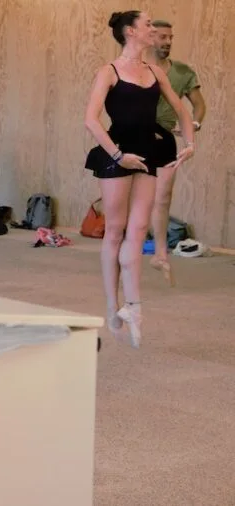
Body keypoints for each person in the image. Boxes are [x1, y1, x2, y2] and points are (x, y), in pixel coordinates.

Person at [84, 10, 194, 348]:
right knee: (115, 231)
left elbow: (181, 109)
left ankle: (134, 306)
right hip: (117, 153)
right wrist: (118, 155)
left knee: (138, 229)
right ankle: (111, 305)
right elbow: (91, 120)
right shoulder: (109, 71)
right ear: (130, 32)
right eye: (147, 24)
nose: (152, 28)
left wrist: (190, 143)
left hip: (147, 152)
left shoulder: (155, 72)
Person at [146, 19, 207, 286]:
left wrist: (194, 125)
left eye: (171, 37)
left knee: (163, 196)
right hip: (133, 136)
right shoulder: (136, 67)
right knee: (134, 198)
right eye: (162, 37)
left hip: (164, 137)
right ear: (150, 38)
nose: (168, 42)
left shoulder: (183, 72)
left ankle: (160, 253)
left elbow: (199, 105)